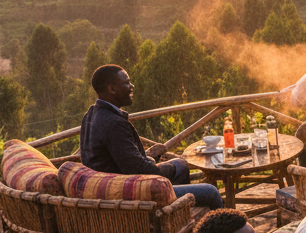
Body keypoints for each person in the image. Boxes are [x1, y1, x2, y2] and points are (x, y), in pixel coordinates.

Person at [80, 65, 223, 209]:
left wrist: (151, 158)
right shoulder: (114, 124)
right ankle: (171, 213)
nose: (132, 86)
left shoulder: (91, 115)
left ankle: (179, 215)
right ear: (112, 89)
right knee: (211, 191)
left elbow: (118, 159)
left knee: (181, 164)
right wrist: (168, 168)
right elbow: (139, 170)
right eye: (127, 83)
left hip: (111, 186)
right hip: (130, 196)